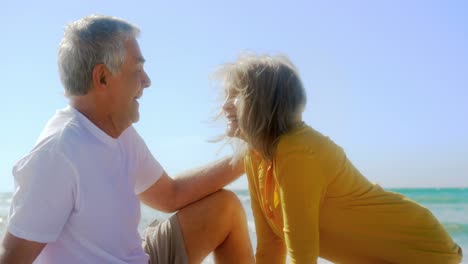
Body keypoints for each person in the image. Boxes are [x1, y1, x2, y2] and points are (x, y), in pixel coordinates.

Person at [0, 15, 255, 264]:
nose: (147, 81)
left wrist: (253, 152)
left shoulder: (121, 134)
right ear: (102, 77)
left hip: (136, 255)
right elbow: (11, 258)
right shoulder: (57, 154)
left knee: (225, 208)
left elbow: (171, 195)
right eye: (138, 69)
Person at [216, 54, 463, 264]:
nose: (225, 105)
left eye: (235, 95)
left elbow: (301, 256)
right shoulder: (255, 157)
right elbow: (271, 246)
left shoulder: (296, 151)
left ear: (265, 103)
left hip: (422, 252)